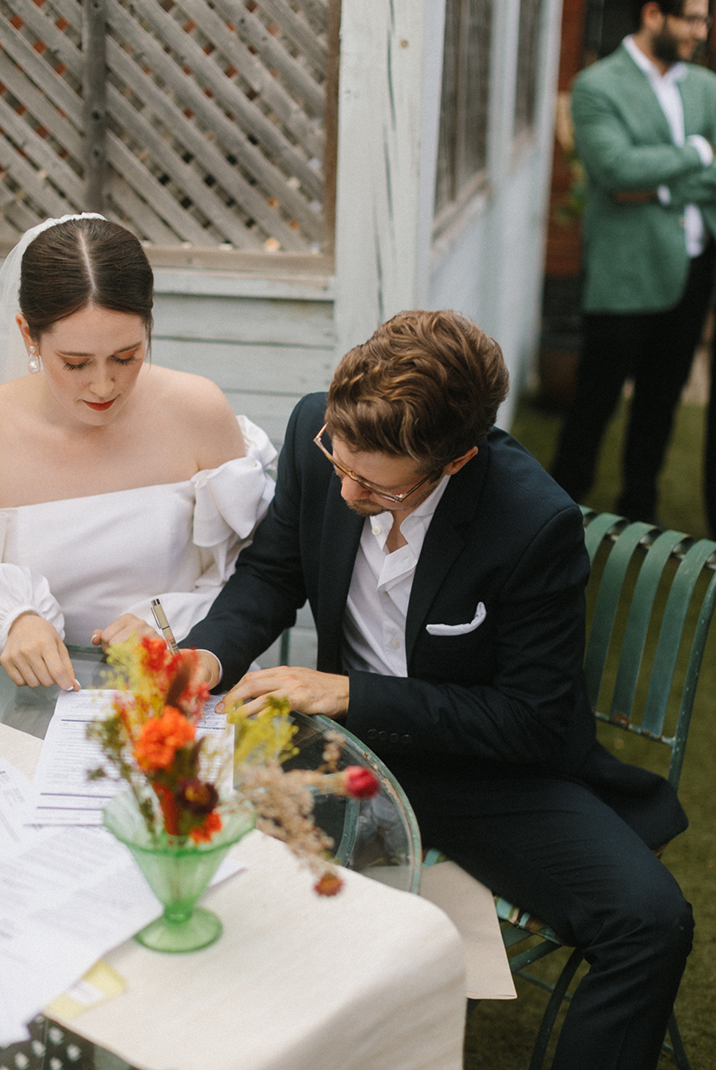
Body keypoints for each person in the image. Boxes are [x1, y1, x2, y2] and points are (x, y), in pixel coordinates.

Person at [183, 311, 692, 1070]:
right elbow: (272, 570)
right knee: (198, 858)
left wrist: (351, 693)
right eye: (337, 459)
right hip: (333, 753)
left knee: (651, 921)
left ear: (452, 460)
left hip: (479, 765)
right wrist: (208, 655)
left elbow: (528, 719)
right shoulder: (311, 431)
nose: (346, 488)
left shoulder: (531, 521)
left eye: (374, 485)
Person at [0, 215, 276, 693]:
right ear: (29, 335)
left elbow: (253, 577)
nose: (104, 385)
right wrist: (12, 619)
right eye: (75, 363)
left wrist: (169, 627)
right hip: (26, 701)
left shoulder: (198, 409)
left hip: (173, 691)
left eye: (127, 356)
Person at [551, 0, 716, 525]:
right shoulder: (598, 85)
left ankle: (638, 515)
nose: (702, 31)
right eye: (692, 19)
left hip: (693, 269)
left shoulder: (706, 87)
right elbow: (618, 170)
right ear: (653, 14)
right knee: (593, 405)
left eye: (704, 18)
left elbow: (643, 178)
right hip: (625, 272)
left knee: (660, 404)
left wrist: (662, 186)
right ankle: (558, 515)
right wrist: (697, 155)